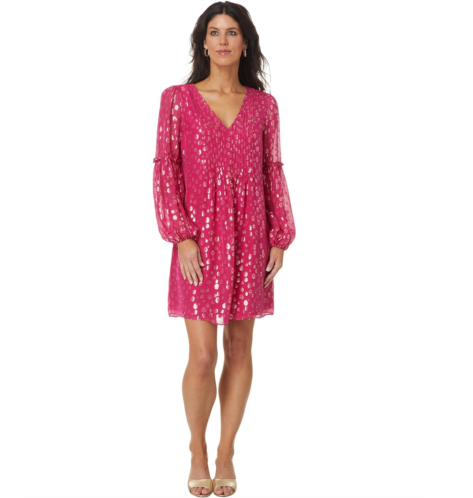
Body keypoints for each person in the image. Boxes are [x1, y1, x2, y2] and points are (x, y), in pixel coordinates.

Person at [152, 3, 296, 496]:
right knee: (201, 355)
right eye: (213, 32)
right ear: (203, 42)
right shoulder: (177, 100)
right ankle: (196, 447)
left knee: (239, 349)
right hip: (197, 243)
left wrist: (279, 236)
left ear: (245, 42)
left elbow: (272, 171)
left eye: (232, 32)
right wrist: (181, 235)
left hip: (250, 239)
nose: (222, 41)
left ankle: (226, 451)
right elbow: (166, 167)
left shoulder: (264, 106)